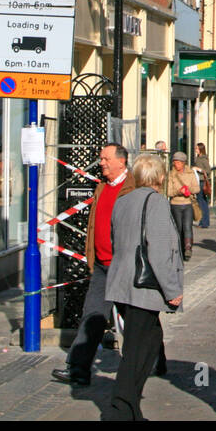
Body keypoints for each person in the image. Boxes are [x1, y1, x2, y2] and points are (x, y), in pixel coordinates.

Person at [105, 153, 183, 420]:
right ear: (161, 177)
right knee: (137, 351)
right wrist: (173, 290)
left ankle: (130, 409)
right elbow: (159, 252)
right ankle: (121, 410)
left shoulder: (123, 201)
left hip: (122, 282)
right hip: (143, 286)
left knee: (147, 343)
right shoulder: (157, 203)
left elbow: (117, 239)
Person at [52, 143, 131, 386]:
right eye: (101, 158)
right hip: (102, 266)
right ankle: (78, 369)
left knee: (139, 319)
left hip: (125, 266)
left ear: (121, 161)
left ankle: (156, 360)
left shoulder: (134, 189)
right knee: (93, 314)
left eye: (106, 158)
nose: (102, 163)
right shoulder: (101, 188)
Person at [165, 151, 199, 261]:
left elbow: (197, 188)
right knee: (178, 228)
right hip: (175, 204)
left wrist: (189, 190)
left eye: (178, 162)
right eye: (174, 162)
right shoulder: (170, 175)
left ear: (184, 163)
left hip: (188, 204)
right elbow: (169, 192)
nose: (176, 164)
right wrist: (178, 191)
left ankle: (188, 248)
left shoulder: (191, 173)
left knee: (187, 227)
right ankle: (179, 250)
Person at [194, 142, 212, 229]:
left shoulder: (203, 159)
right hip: (198, 181)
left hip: (202, 182)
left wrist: (198, 169)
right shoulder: (198, 158)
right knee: (202, 202)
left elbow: (208, 170)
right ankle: (204, 222)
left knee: (202, 202)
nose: (195, 150)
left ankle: (204, 222)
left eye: (197, 148)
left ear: (200, 149)